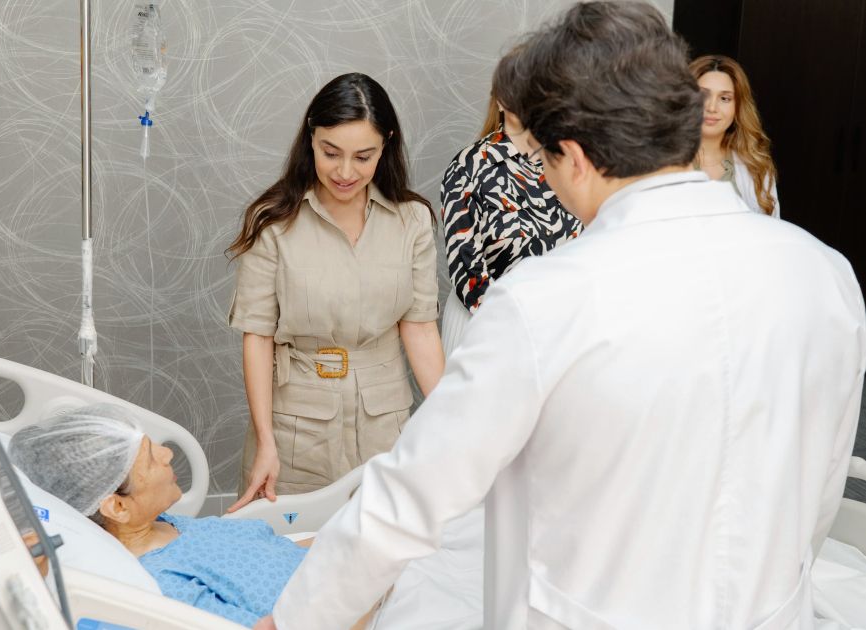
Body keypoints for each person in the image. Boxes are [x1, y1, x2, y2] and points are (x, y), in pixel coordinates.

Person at [256, 3, 866, 629]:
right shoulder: (825, 274)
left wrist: (291, 619)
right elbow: (819, 494)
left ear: (572, 156)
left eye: (543, 160)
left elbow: (411, 497)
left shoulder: (545, 299)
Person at [225, 73, 444, 510]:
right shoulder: (273, 222)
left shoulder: (412, 220)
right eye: (331, 153)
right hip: (296, 428)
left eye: (363, 157)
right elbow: (258, 337)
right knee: (287, 546)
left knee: (383, 545)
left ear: (386, 146)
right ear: (311, 139)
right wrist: (266, 441)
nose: (345, 172)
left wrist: (453, 423)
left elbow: (420, 329)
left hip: (384, 424)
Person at [8, 404, 378, 629]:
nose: (167, 454)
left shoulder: (169, 527)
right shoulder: (166, 586)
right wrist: (375, 577)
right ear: (118, 507)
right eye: (151, 460)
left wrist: (365, 539)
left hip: (355, 573)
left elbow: (279, 552)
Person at [439, 49, 581, 356]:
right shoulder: (471, 165)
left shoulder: (572, 161)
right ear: (502, 99)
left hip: (557, 329)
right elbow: (466, 267)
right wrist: (514, 326)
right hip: (482, 324)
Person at [690, 54, 780, 217]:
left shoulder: (756, 167)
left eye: (725, 98)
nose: (712, 107)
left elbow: (772, 229)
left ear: (737, 108)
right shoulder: (658, 163)